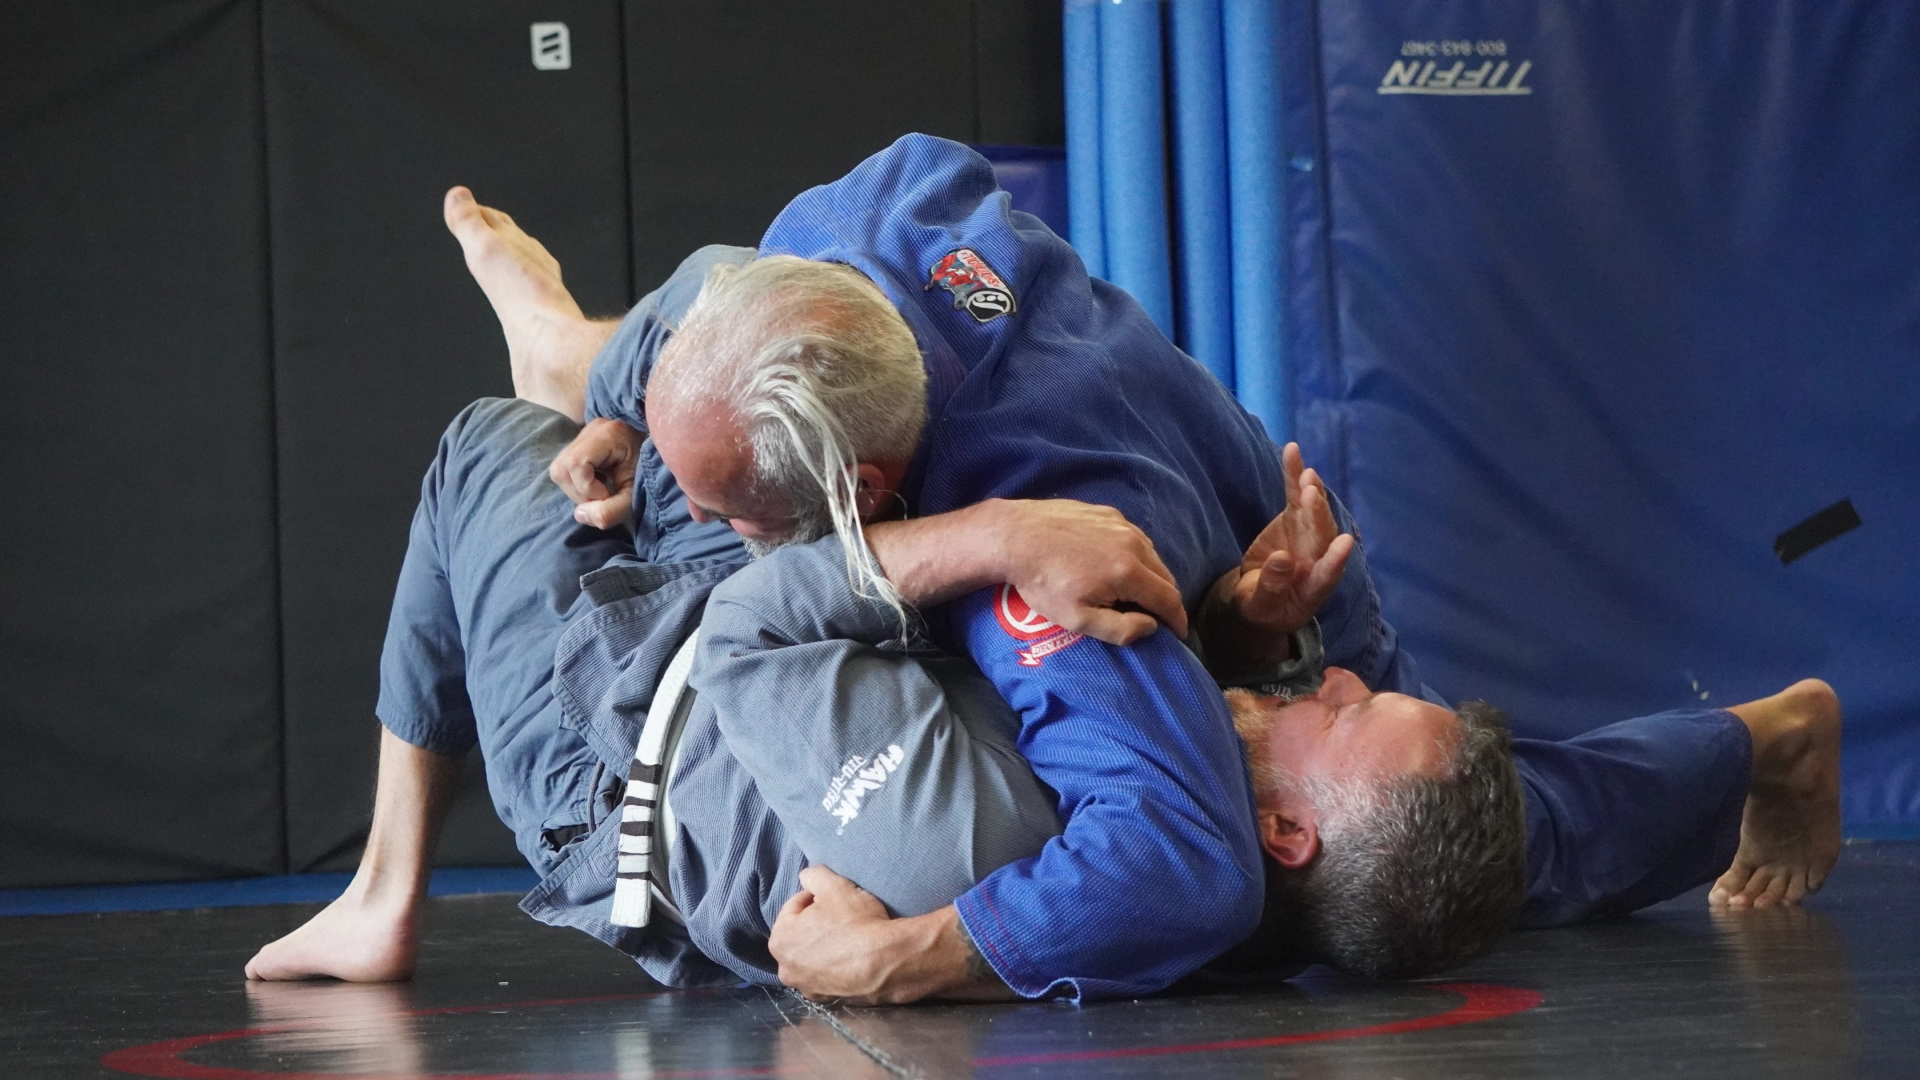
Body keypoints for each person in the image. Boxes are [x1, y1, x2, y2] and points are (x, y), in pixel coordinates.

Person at [520, 134, 1838, 1002]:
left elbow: (1176, 865)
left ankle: (1760, 743)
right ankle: (1751, 743)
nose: (734, 525)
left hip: (1243, 547)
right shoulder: (871, 234)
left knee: (1440, 846)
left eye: (750, 505)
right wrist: (615, 397)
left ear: (862, 486)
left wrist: (893, 959)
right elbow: (716, 351)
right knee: (1459, 838)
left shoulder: (1064, 583)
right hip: (1215, 532)